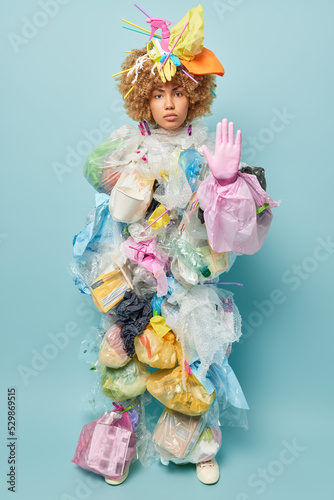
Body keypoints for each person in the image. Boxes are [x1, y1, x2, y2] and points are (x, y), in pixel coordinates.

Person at [71, 4, 279, 487]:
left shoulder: (204, 151)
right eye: (159, 92)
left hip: (187, 279)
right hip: (132, 275)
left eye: (179, 92)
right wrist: (127, 174)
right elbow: (99, 180)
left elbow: (231, 233)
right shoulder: (128, 143)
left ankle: (197, 445)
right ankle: (116, 446)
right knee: (126, 355)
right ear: (142, 96)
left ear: (195, 97)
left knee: (191, 362)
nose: (169, 103)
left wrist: (225, 182)